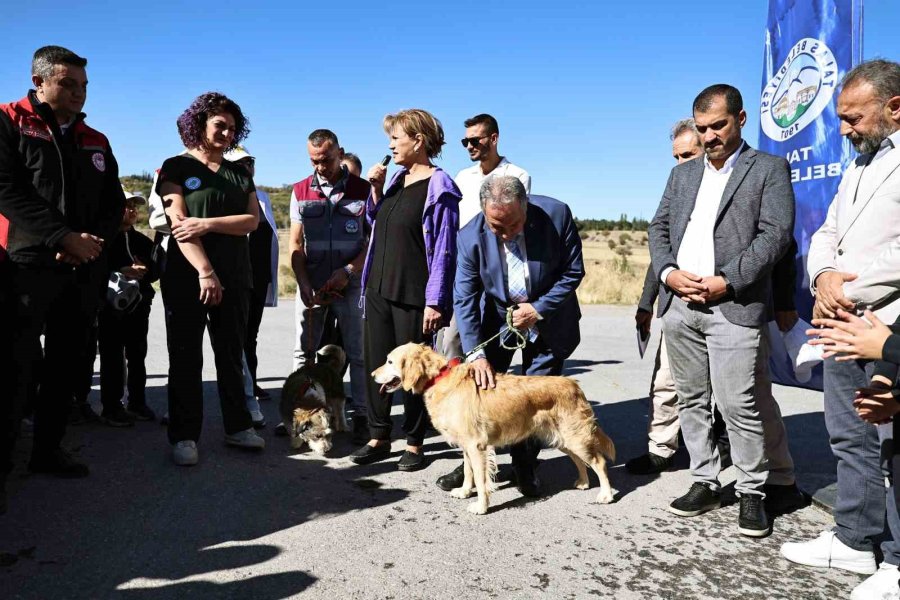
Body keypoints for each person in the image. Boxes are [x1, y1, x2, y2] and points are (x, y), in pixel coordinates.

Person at [648, 84, 803, 537]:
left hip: (733, 306)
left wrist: (727, 280)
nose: (710, 136)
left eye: (718, 126)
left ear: (740, 119)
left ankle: (753, 491)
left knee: (740, 404)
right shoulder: (683, 175)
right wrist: (669, 274)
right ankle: (704, 480)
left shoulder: (768, 169)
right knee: (692, 400)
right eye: (702, 129)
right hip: (681, 305)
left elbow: (775, 236)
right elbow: (658, 228)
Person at [782, 59, 900, 595]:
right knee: (848, 436)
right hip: (841, 321)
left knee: (892, 444)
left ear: (893, 108)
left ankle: (897, 561)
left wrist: (849, 288)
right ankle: (855, 541)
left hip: (886, 323)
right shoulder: (858, 165)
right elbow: (829, 229)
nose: (845, 130)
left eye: (853, 118)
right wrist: (824, 274)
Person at [0, 46, 125, 487]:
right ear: (39, 82)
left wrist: (89, 245)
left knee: (66, 365)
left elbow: (114, 206)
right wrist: (60, 236)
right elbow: (7, 191)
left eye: (84, 86)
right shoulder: (9, 121)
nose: (78, 94)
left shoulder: (96, 139)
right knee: (16, 367)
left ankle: (48, 451)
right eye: (68, 84)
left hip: (82, 267)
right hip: (24, 265)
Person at [437, 175, 583, 497]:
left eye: (512, 225)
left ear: (525, 206)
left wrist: (538, 308)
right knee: (486, 393)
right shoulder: (469, 237)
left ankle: (525, 465)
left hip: (549, 320)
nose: (504, 234)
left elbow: (573, 271)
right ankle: (472, 466)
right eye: (496, 227)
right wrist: (476, 354)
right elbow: (464, 297)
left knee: (533, 399)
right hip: (498, 323)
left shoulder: (557, 215)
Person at [156, 91, 264, 466]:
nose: (227, 133)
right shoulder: (175, 167)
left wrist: (209, 223)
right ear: (198, 125)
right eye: (220, 125)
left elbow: (252, 221)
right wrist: (205, 271)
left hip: (236, 275)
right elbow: (179, 226)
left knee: (231, 353)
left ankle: (238, 427)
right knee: (185, 356)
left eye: (233, 128)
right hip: (189, 276)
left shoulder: (239, 172)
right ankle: (184, 435)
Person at [350, 109, 461, 470]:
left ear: (418, 140)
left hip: (414, 294)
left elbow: (445, 248)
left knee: (413, 371)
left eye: (396, 137)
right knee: (376, 363)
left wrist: (436, 301)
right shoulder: (396, 180)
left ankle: (414, 443)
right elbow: (375, 223)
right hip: (379, 288)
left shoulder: (439, 185)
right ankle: (379, 435)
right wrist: (376, 190)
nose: (390, 144)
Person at [289, 129, 369, 444]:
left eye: (326, 159)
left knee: (358, 353)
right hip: (313, 285)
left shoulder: (364, 190)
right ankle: (302, 416)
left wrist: (349, 271)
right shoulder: (300, 190)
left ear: (340, 152)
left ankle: (361, 415)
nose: (320, 167)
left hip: (350, 284)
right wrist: (304, 283)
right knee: (303, 354)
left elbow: (372, 241)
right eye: (314, 161)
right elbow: (295, 242)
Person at [439, 114, 532, 360]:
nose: (469, 146)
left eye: (475, 140)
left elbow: (510, 226)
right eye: (465, 142)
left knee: (492, 341)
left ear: (494, 138)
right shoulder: (462, 178)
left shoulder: (517, 176)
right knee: (451, 339)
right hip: (466, 266)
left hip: (498, 270)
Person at [97, 188, 160, 427]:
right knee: (112, 355)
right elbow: (94, 269)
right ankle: (111, 407)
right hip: (109, 308)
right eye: (126, 205)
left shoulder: (142, 241)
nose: (131, 210)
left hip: (140, 306)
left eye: (135, 206)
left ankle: (137, 402)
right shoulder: (102, 239)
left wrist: (145, 271)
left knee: (137, 354)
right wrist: (120, 271)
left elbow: (155, 272)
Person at [224, 146, 278, 406]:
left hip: (258, 279)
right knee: (234, 335)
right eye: (240, 163)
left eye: (250, 162)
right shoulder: (226, 194)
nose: (247, 167)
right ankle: (238, 389)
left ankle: (251, 382)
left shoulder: (263, 197)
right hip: (235, 277)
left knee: (250, 335)